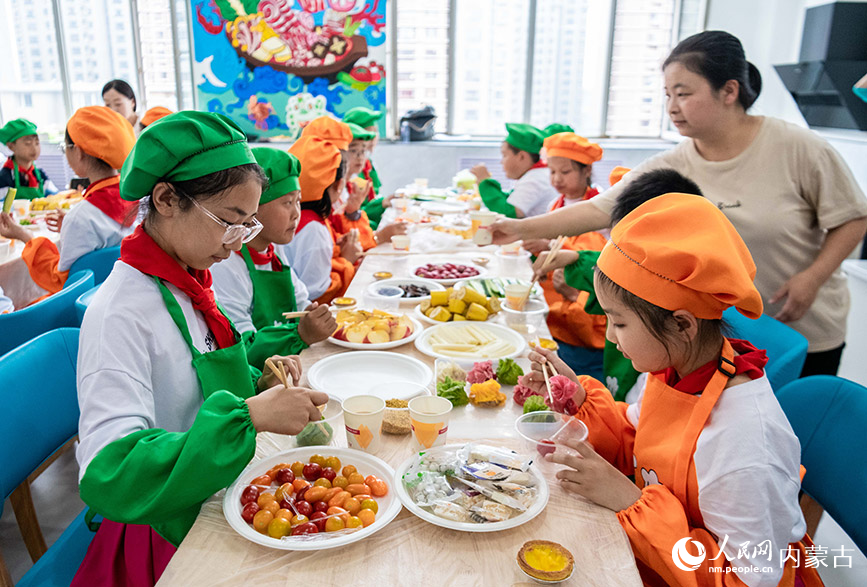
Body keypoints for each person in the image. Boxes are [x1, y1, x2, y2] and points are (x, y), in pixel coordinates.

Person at [493, 30, 867, 376]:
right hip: (721, 333)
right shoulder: (675, 161)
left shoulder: (798, 148)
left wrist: (812, 278)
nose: (672, 106)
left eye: (684, 93)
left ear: (729, 91)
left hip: (802, 325)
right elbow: (597, 209)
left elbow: (853, 218)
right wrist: (516, 229)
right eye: (668, 94)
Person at [71, 111, 328, 586]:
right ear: (168, 199)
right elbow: (110, 470)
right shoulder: (120, 313)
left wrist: (258, 382)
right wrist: (248, 416)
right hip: (166, 526)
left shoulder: (189, 283)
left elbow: (192, 390)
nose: (237, 244)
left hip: (218, 488)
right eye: (230, 221)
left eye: (250, 225)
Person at [524, 193, 822, 587]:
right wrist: (580, 399)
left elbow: (747, 579)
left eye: (620, 323)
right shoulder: (678, 366)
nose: (611, 338)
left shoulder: (745, 445)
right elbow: (640, 438)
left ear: (682, 324)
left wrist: (633, 503)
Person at [211, 147, 337, 370]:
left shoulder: (275, 251)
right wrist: (301, 333)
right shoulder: (226, 264)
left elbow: (300, 303)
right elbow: (241, 349)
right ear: (253, 208)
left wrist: (313, 316)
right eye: (287, 203)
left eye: (298, 201)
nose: (296, 213)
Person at [0, 106, 136, 295]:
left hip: (87, 302)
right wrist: (70, 223)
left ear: (78, 152)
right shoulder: (137, 197)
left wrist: (24, 235)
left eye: (66, 148)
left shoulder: (81, 217)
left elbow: (62, 281)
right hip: (125, 291)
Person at [522, 132, 608, 380]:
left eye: (565, 172)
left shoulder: (601, 213)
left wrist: (551, 245)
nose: (557, 179)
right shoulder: (555, 205)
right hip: (557, 316)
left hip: (586, 324)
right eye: (552, 172)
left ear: (587, 171)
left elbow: (596, 263)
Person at [282, 123, 358, 303]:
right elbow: (317, 293)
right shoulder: (314, 229)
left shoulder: (298, 217)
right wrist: (347, 261)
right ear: (339, 185)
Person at [332, 122, 407, 249]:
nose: (360, 157)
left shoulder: (349, 184)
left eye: (363, 151)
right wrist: (378, 236)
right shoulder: (334, 192)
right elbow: (341, 238)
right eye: (354, 150)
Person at [470, 123, 558, 218]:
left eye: (504, 155)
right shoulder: (536, 174)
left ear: (521, 156)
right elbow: (510, 201)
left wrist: (485, 182)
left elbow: (509, 214)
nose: (501, 162)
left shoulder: (535, 179)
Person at [342, 107, 388, 228]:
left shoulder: (367, 164)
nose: (373, 139)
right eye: (354, 150)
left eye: (375, 131)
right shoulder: (342, 179)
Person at [0, 118, 58, 200]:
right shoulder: (5, 177)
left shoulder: (39, 175)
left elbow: (55, 197)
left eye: (37, 143)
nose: (34, 148)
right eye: (28, 143)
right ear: (11, 146)